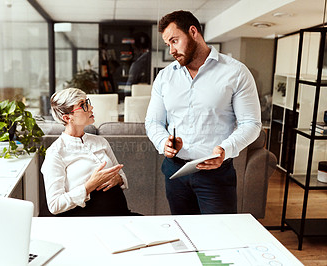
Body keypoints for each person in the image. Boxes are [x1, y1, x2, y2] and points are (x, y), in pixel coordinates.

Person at [145, 10, 262, 215]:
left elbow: (251, 124)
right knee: (185, 234)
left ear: (193, 32)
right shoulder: (164, 77)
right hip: (175, 172)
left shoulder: (236, 72)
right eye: (168, 44)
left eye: (175, 40)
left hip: (215, 175)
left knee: (219, 237)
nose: (171, 50)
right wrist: (164, 143)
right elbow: (153, 122)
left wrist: (225, 149)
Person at [41, 88, 132, 216]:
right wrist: (89, 186)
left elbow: (122, 177)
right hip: (87, 220)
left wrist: (118, 179)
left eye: (87, 102)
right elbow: (55, 205)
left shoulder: (101, 141)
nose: (90, 107)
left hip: (120, 214)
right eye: (83, 105)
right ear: (67, 117)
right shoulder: (56, 153)